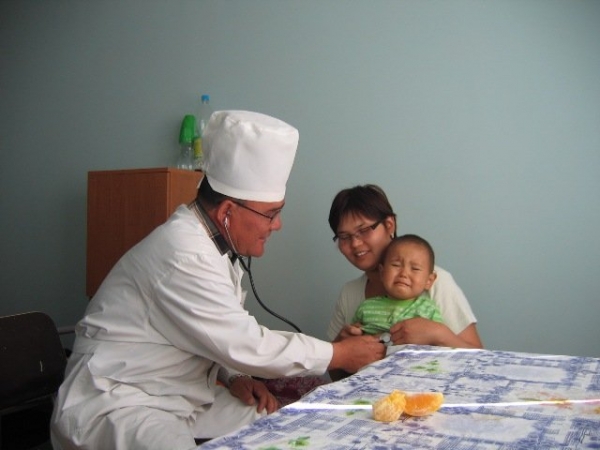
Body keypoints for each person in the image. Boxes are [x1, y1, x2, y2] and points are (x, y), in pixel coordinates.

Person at [51, 111, 385, 450]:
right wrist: (338, 354)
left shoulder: (211, 246)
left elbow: (207, 331)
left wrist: (232, 375)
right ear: (226, 213)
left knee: (276, 424)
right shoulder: (184, 254)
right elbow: (246, 343)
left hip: (177, 395)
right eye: (271, 214)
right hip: (120, 401)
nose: (277, 225)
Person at [327, 184, 482, 380]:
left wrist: (438, 333)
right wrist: (340, 350)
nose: (355, 244)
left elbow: (480, 360)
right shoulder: (350, 293)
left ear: (389, 225)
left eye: (364, 230)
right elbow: (336, 377)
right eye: (344, 237)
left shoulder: (435, 282)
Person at [352, 234, 443, 336]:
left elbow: (438, 341)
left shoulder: (429, 310)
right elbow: (351, 337)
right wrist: (353, 333)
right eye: (396, 265)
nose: (403, 274)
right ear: (382, 272)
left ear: (429, 281)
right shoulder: (366, 307)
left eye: (415, 268)